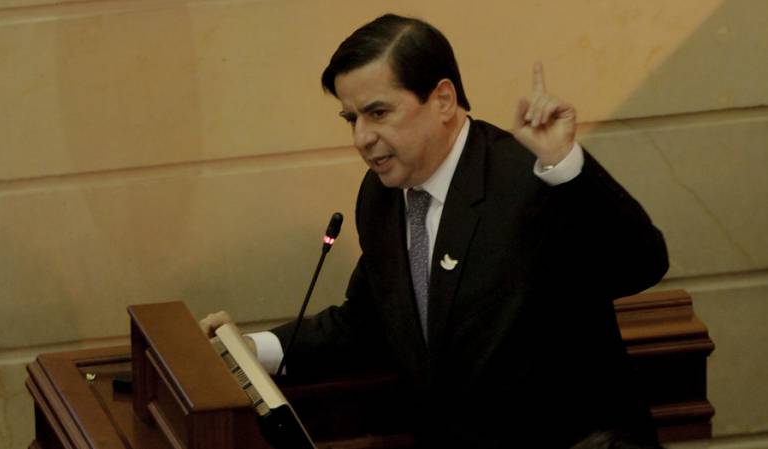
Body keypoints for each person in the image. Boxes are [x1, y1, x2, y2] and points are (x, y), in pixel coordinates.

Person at [201, 13, 668, 448]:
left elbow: (641, 264)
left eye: (378, 113)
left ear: (442, 100)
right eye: (352, 118)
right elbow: (370, 321)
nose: (361, 138)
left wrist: (564, 166)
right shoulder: (382, 195)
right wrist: (255, 351)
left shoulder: (528, 177)